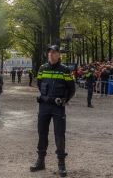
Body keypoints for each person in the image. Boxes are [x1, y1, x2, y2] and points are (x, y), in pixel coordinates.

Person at [30, 45, 75, 177]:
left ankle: (61, 163)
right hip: (44, 105)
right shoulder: (42, 68)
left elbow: (71, 89)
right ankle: (40, 161)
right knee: (42, 133)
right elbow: (39, 84)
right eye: (49, 52)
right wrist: (45, 96)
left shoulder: (65, 70)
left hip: (57, 106)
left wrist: (63, 100)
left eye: (54, 52)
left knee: (59, 135)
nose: (51, 54)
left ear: (59, 55)